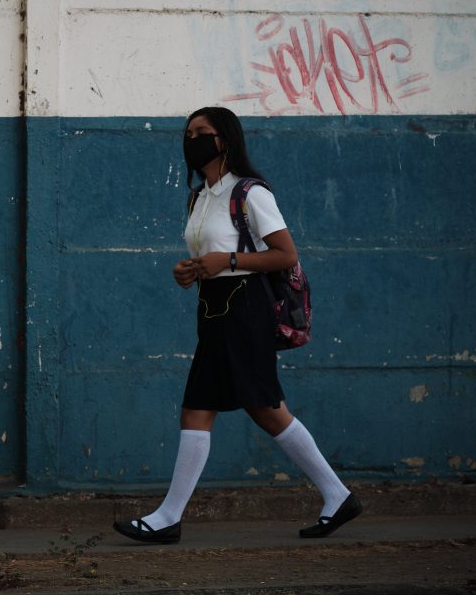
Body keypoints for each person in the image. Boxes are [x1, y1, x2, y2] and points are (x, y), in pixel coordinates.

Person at [113, 106, 361, 544]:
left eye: (202, 132)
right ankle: (335, 495)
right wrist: (190, 272)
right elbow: (211, 256)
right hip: (213, 310)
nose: (192, 139)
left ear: (224, 140)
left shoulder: (249, 193)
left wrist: (226, 261)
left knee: (261, 408)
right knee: (209, 407)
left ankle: (171, 516)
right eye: (188, 133)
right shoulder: (200, 196)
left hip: (246, 312)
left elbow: (286, 254)